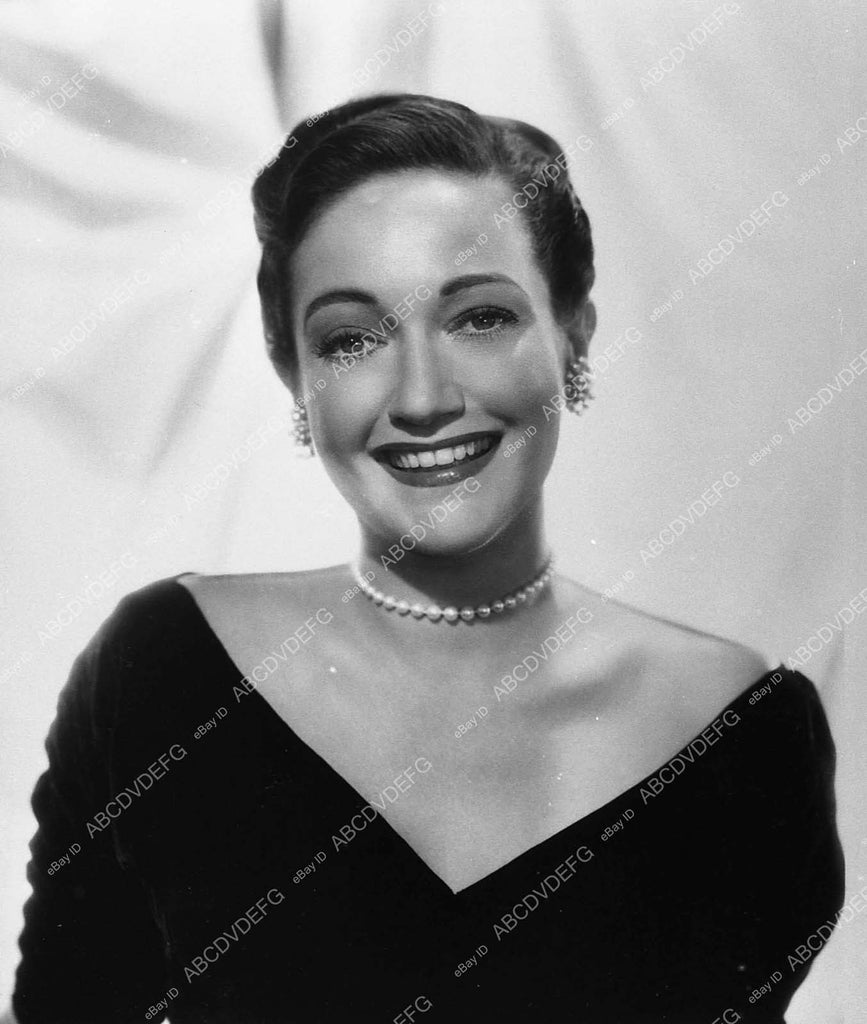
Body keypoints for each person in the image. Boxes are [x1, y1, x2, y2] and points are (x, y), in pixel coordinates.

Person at [10, 93, 844, 1023]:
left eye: (479, 317)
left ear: (573, 330)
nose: (421, 398)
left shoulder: (740, 732)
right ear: (294, 374)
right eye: (351, 338)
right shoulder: (163, 673)